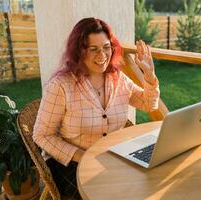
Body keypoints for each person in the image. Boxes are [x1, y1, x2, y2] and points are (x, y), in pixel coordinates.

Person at [33, 18, 160, 199]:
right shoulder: (60, 85)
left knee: (146, 186)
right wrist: (84, 157)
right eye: (93, 49)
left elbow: (149, 103)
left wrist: (149, 75)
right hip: (72, 163)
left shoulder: (118, 78)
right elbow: (42, 135)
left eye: (106, 47)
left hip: (112, 157)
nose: (102, 56)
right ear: (79, 51)